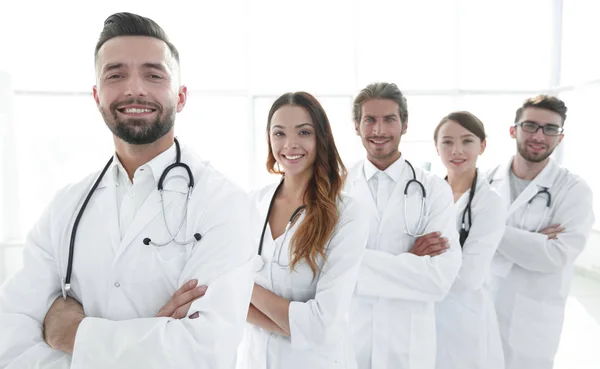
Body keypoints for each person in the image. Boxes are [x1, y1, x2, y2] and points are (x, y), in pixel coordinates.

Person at [0, 12, 255, 369]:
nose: (135, 88)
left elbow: (203, 351)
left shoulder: (224, 205)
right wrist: (155, 335)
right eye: (116, 74)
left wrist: (71, 335)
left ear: (180, 96)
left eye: (153, 75)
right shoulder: (65, 208)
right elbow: (11, 338)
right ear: (97, 95)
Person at [238, 92, 368, 369]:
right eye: (279, 133)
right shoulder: (252, 203)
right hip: (255, 358)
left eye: (303, 132)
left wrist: (245, 287)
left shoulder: (346, 213)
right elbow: (222, 295)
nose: (290, 144)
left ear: (321, 138)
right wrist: (295, 325)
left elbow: (323, 324)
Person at [345, 82, 462, 369]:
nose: (378, 130)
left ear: (405, 124)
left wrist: (349, 263)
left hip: (407, 343)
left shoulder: (433, 189)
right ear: (356, 126)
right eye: (370, 119)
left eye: (389, 119)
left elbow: (438, 280)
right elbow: (319, 267)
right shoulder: (335, 188)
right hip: (350, 337)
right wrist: (410, 263)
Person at [486, 95, 595, 369]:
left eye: (550, 129)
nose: (539, 135)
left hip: (532, 319)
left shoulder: (573, 190)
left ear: (560, 137)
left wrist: (489, 231)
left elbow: (556, 255)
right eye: (530, 126)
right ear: (513, 130)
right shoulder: (484, 181)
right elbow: (461, 242)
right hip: (482, 306)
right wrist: (531, 241)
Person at [432, 111, 505, 369]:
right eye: (447, 142)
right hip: (423, 314)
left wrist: (418, 265)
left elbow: (469, 276)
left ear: (482, 146)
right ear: (437, 147)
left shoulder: (490, 202)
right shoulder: (426, 195)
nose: (457, 150)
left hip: (464, 315)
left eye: (467, 141)